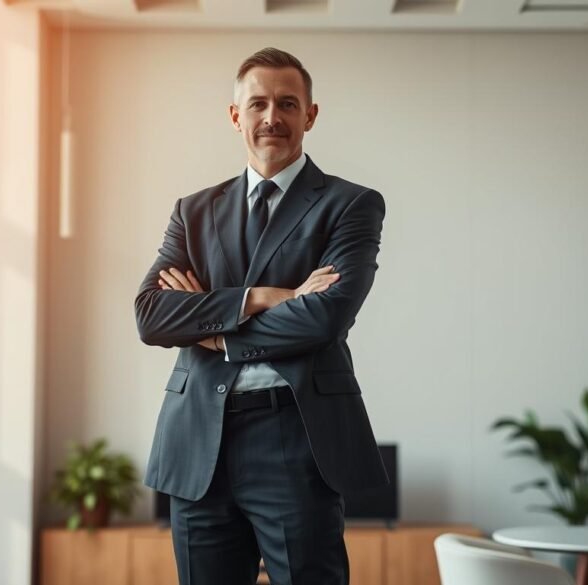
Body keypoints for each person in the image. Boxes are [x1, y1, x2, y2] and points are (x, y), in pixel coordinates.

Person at [134, 47, 387, 585]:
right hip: (198, 442)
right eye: (258, 104)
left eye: (287, 103)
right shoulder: (192, 211)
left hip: (295, 437)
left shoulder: (350, 204)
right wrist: (263, 297)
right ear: (236, 116)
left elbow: (324, 318)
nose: (272, 116)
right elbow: (152, 315)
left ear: (310, 115)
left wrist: (214, 334)